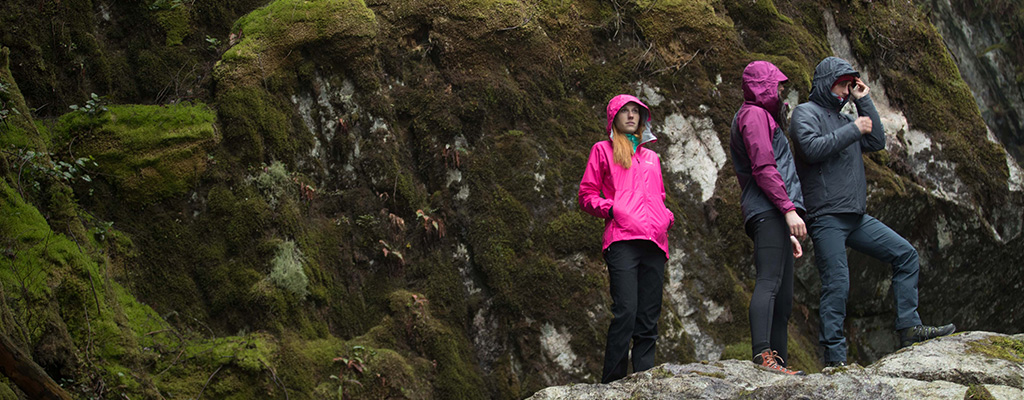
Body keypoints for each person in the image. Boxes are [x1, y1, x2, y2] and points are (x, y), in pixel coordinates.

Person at [788, 56, 955, 368]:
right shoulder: (805, 113)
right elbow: (811, 149)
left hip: (855, 216)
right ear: (827, 83)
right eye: (843, 84)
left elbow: (877, 140)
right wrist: (854, 128)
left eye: (851, 86)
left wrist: (864, 102)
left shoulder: (845, 120)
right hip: (826, 217)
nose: (847, 90)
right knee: (837, 285)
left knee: (905, 254)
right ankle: (835, 360)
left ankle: (909, 327)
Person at [579, 94, 674, 383]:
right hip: (622, 240)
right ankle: (613, 382)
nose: (631, 116)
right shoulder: (602, 150)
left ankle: (643, 381)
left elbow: (658, 196)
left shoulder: (652, 157)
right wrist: (614, 209)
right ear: (614, 118)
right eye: (625, 111)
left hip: (655, 242)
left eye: (636, 111)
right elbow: (586, 196)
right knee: (626, 312)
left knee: (648, 317)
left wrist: (665, 216)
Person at [729, 61, 807, 376]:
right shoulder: (754, 115)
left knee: (784, 298)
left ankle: (780, 365)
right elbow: (764, 166)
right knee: (769, 283)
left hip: (773, 210)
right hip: (768, 209)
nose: (782, 91)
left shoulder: (763, 117)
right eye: (778, 86)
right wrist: (788, 209)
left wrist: (785, 220)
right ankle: (763, 356)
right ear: (764, 86)